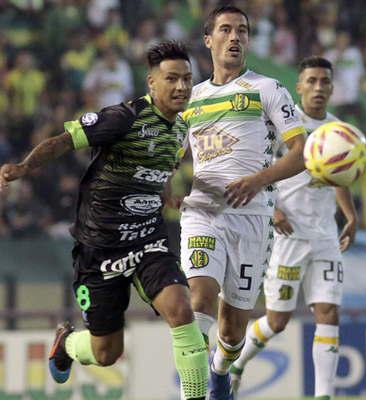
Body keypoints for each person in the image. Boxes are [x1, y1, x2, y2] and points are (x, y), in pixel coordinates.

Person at [0, 41, 209, 400]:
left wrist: (167, 195)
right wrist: (23, 168)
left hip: (148, 240)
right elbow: (63, 142)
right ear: (151, 83)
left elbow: (153, 171)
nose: (181, 87)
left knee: (181, 310)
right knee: (106, 353)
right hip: (99, 248)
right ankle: (67, 345)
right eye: (172, 79)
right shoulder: (123, 117)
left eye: (187, 79)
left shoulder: (180, 129)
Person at [179, 6, 306, 400]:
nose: (235, 37)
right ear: (208, 40)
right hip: (203, 214)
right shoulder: (191, 99)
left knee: (233, 329)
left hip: (253, 219)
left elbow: (301, 152)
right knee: (199, 297)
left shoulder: (268, 89)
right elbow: (169, 156)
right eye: (226, 30)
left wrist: (258, 180)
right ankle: (193, 394)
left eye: (242, 31)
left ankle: (220, 372)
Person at [228, 56, 359, 400]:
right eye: (312, 81)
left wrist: (350, 215)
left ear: (332, 88)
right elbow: (257, 168)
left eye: (324, 82)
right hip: (287, 236)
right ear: (299, 86)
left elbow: (340, 176)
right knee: (277, 321)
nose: (318, 88)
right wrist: (272, 211)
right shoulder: (284, 126)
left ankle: (323, 395)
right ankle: (237, 363)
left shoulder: (336, 130)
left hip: (325, 236)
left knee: (328, 312)